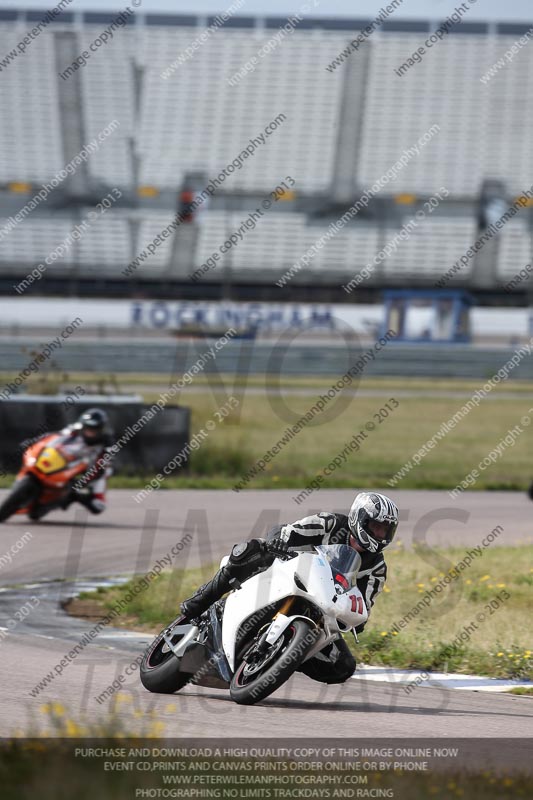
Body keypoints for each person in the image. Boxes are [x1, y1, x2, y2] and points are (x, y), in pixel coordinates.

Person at [180, 492, 399, 685]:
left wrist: (357, 620)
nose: (380, 534)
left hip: (323, 605)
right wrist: (277, 541)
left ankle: (283, 657)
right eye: (376, 526)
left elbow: (364, 603)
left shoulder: (377, 568)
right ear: (359, 519)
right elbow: (286, 531)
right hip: (289, 572)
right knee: (251, 550)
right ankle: (201, 600)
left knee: (343, 666)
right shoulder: (329, 524)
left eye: (385, 530)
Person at [28, 408, 114, 520]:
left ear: (101, 429)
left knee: (97, 506)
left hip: (85, 472)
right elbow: (54, 436)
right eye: (88, 428)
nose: (90, 431)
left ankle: (69, 498)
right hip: (62, 460)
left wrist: (83, 484)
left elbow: (100, 468)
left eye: (94, 429)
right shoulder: (74, 429)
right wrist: (36, 441)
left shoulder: (107, 443)